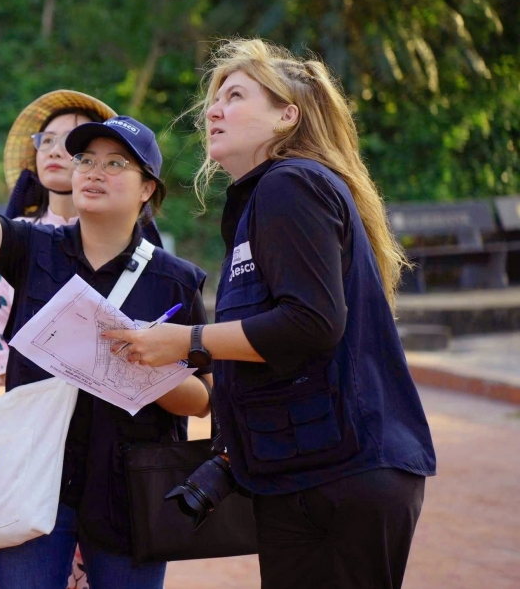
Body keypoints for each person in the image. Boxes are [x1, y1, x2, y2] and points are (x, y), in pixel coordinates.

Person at [103, 38, 437, 589]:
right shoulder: (265, 197)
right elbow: (280, 337)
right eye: (213, 100)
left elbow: (312, 323)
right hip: (310, 470)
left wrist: (188, 341)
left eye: (234, 96)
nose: (213, 111)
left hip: (342, 473)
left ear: (287, 116)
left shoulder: (290, 183)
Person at [0, 84, 212, 589]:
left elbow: (203, 399)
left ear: (147, 189)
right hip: (33, 476)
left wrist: (148, 364)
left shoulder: (176, 281)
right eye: (86, 160)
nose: (94, 172)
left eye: (115, 164)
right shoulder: (33, 247)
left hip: (131, 491)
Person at [0, 90, 117, 589]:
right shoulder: (18, 237)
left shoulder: (125, 245)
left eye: (71, 144)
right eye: (46, 141)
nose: (55, 151)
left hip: (106, 424)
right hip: (34, 416)